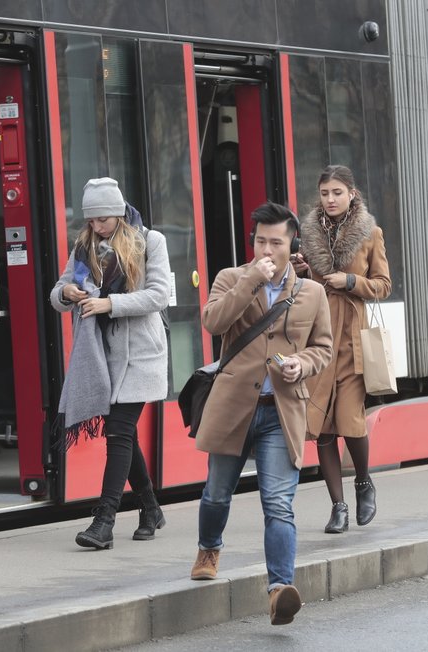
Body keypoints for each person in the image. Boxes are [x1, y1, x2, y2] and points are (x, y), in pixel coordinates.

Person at [190, 202, 332, 626]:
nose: (267, 248)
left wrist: (301, 365)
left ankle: (279, 591)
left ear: (293, 245)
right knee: (217, 493)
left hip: (281, 411)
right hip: (234, 405)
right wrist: (252, 279)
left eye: (276, 241)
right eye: (260, 241)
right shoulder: (231, 278)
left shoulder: (312, 293)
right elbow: (213, 322)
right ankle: (209, 546)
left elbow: (322, 349)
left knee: (279, 505)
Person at [50, 177, 171, 548]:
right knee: (124, 434)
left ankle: (104, 521)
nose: (96, 226)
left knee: (118, 432)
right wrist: (67, 293)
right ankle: (150, 507)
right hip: (104, 356)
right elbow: (56, 292)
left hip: (141, 356)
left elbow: (159, 295)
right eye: (91, 220)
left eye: (103, 219)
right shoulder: (84, 246)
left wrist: (110, 304)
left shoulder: (151, 241)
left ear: (118, 213)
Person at [293, 165, 391, 533]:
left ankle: (364, 481)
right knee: (320, 425)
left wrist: (350, 280)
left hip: (351, 337)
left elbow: (383, 284)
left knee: (350, 421)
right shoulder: (309, 234)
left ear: (351, 193)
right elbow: (301, 285)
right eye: (324, 193)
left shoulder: (370, 232)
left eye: (337, 192)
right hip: (317, 337)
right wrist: (302, 270)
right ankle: (338, 506)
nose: (330, 199)